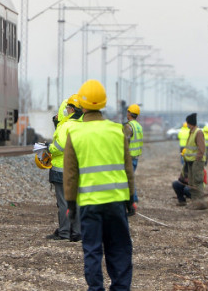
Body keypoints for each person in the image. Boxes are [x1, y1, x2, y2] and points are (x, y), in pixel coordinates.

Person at [64, 79, 134, 291]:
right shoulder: (117, 130)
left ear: (82, 106)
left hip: (89, 204)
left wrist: (71, 204)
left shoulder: (74, 134)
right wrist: (131, 199)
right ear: (103, 104)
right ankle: (121, 288)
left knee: (93, 250)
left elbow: (70, 175)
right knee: (120, 248)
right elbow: (128, 168)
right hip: (116, 202)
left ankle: (96, 288)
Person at [46, 96, 82, 241]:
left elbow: (59, 147)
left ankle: (64, 232)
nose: (65, 110)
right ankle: (77, 232)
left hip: (62, 170)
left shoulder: (66, 126)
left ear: (71, 109)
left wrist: (49, 148)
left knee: (63, 203)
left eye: (67, 108)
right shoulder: (83, 126)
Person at [178, 113, 206, 204]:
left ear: (190, 123)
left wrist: (197, 159)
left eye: (187, 123)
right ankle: (195, 201)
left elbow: (201, 148)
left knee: (197, 181)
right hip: (190, 161)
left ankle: (200, 201)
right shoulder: (192, 132)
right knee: (192, 182)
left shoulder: (198, 132)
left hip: (196, 161)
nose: (187, 125)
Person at [124, 103, 143, 208]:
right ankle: (134, 198)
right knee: (131, 178)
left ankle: (133, 200)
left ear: (129, 113)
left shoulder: (129, 126)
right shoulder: (139, 126)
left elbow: (123, 142)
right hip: (136, 157)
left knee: (127, 179)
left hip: (129, 157)